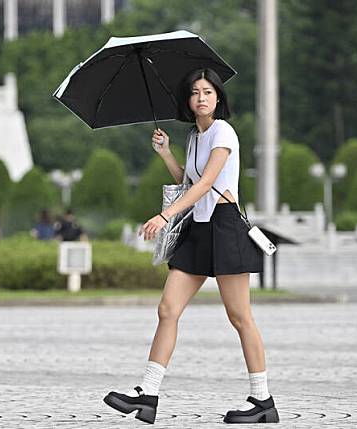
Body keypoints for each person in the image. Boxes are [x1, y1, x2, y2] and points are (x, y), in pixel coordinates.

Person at [103, 68, 278, 424]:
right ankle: (148, 395)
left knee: (240, 317)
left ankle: (263, 401)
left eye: (208, 92)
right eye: (195, 92)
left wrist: (165, 216)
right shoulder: (194, 136)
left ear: (218, 98)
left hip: (225, 226)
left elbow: (208, 183)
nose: (201, 98)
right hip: (198, 229)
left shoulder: (223, 132)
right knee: (167, 309)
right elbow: (188, 181)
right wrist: (166, 153)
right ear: (188, 100)